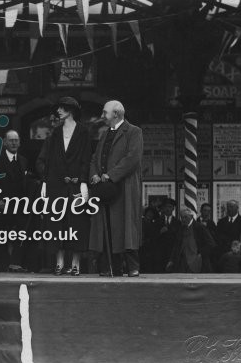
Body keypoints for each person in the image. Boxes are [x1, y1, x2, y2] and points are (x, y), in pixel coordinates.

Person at [36, 97, 91, 275]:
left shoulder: (84, 132)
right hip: (56, 186)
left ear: (71, 110)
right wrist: (45, 181)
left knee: (77, 224)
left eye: (62, 108)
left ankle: (76, 263)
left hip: (75, 186)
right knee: (56, 224)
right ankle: (59, 262)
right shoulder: (54, 133)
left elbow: (86, 159)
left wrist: (83, 183)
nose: (58, 111)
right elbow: (45, 160)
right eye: (58, 108)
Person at [88, 100, 143, 277]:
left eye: (105, 113)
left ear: (117, 114)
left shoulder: (134, 132)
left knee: (126, 228)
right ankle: (111, 267)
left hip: (124, 188)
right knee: (108, 227)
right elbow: (95, 158)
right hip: (105, 189)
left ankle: (132, 267)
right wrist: (95, 174)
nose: (102, 116)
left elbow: (132, 158)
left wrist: (111, 174)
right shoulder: (105, 134)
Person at [0, 130, 30, 273]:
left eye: (16, 140)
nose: (14, 143)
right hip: (2, 205)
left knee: (21, 236)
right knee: (2, 237)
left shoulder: (23, 160)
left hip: (20, 206)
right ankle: (2, 267)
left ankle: (15, 264)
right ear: (4, 142)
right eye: (11, 140)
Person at [166, 208, 216, 273]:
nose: (183, 219)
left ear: (191, 217)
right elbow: (176, 246)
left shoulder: (199, 227)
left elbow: (211, 244)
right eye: (182, 217)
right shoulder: (181, 228)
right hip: (182, 262)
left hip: (197, 261)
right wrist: (171, 260)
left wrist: (201, 254)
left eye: (185, 217)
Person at [154, 198, 181, 273]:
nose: (167, 209)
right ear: (163, 208)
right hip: (160, 253)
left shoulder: (178, 222)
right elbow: (152, 237)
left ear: (173, 208)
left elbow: (179, 238)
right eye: (166, 207)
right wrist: (160, 232)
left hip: (172, 252)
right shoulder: (157, 221)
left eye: (170, 207)